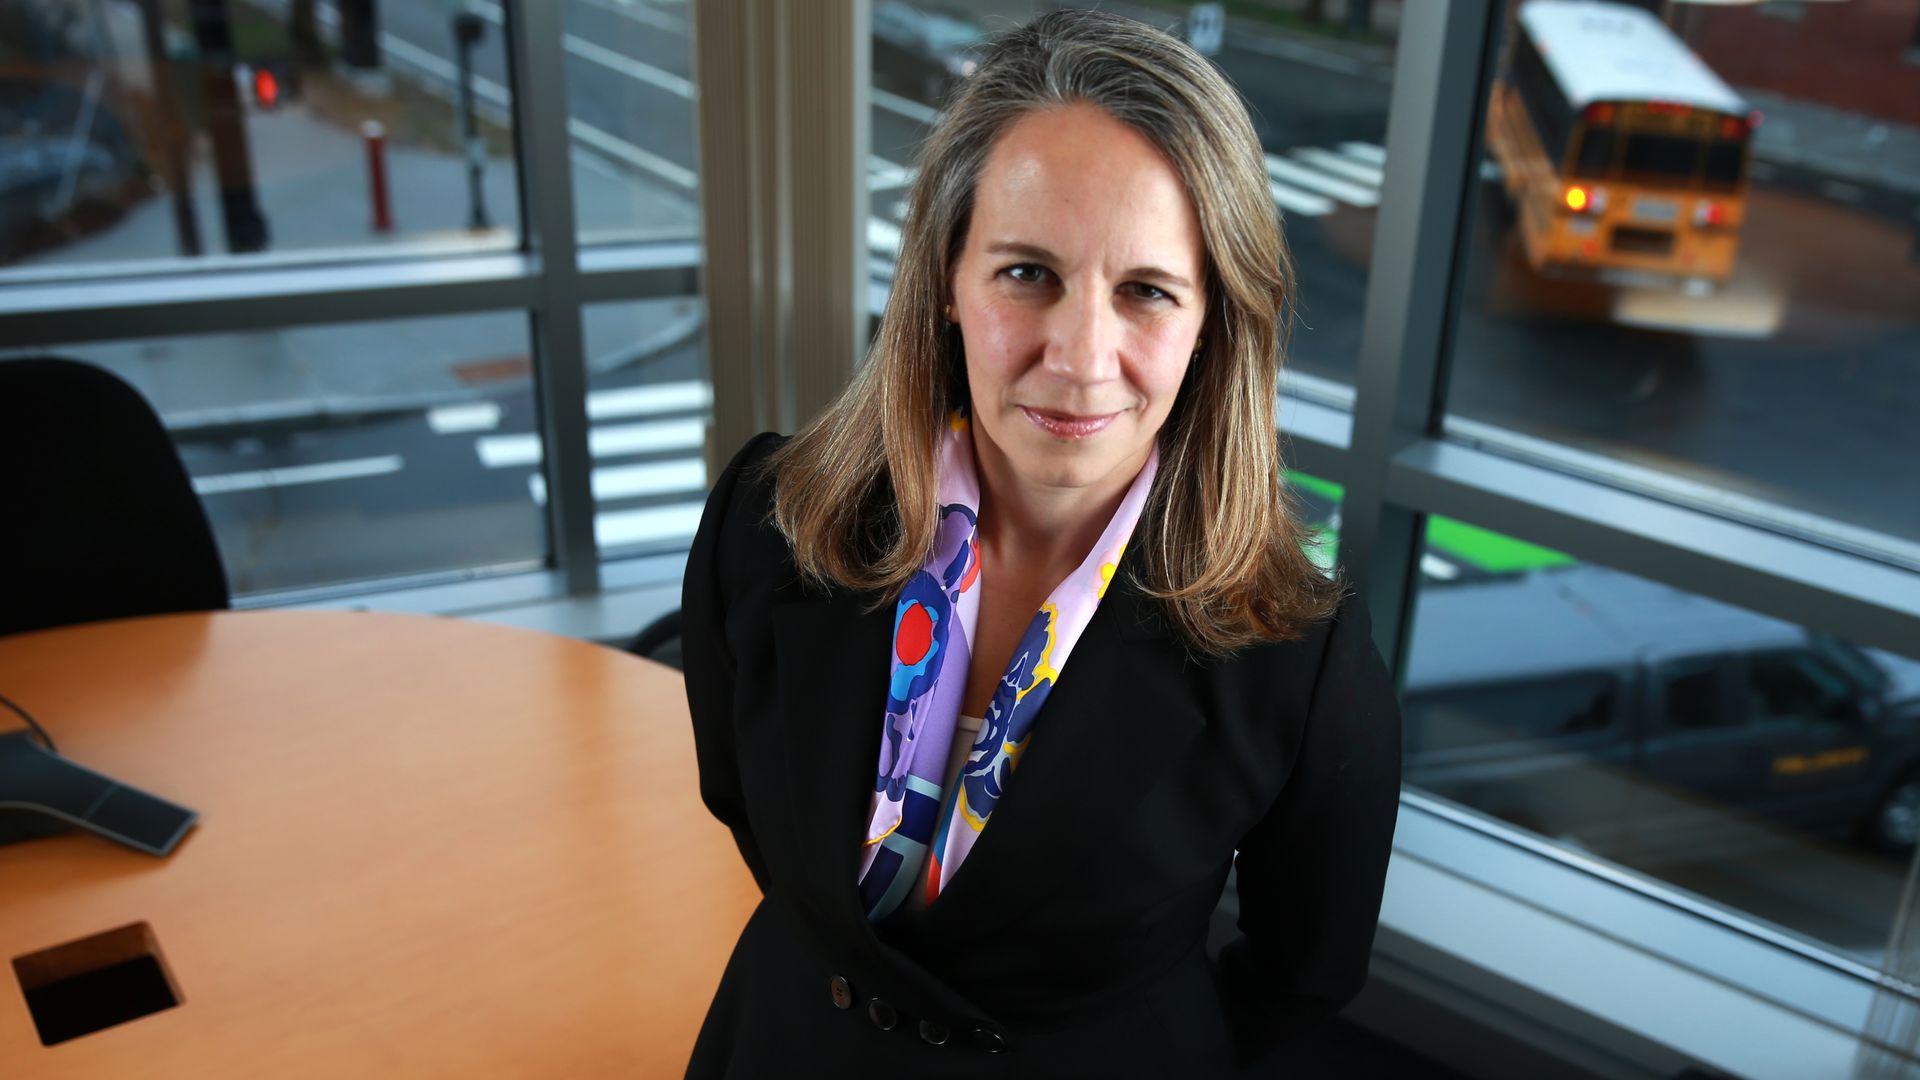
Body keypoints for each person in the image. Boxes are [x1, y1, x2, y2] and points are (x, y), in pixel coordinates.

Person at [680, 9, 1401, 1078]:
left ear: (1213, 324)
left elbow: (1306, 968)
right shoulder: (766, 520)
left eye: (1146, 291)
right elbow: (748, 810)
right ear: (945, 285)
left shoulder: (1299, 655)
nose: (1080, 356)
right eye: (1027, 273)